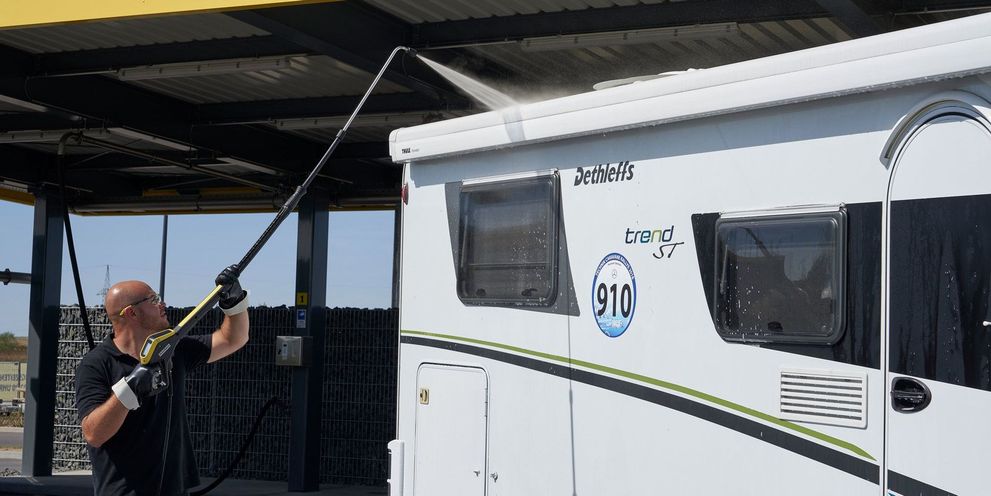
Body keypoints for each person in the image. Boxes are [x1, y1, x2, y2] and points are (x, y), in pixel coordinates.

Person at [75, 266, 250, 496]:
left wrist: (234, 302)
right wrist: (130, 389)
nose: (163, 304)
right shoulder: (97, 363)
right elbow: (93, 434)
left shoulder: (173, 350)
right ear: (132, 313)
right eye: (153, 299)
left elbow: (233, 338)